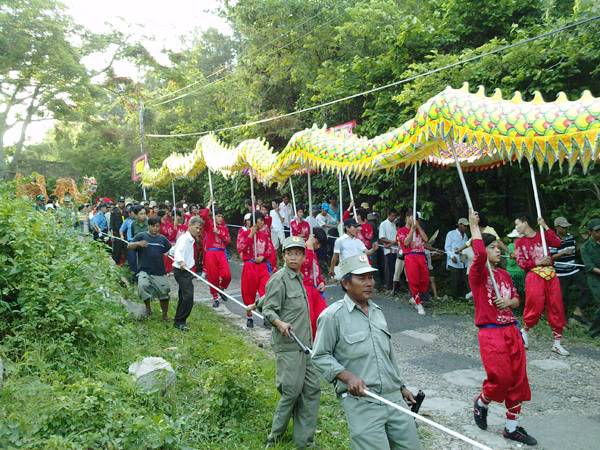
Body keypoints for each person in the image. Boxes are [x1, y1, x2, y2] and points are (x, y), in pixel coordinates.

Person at [312, 254, 422, 450]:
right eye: (361, 278)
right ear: (346, 283)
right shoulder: (332, 316)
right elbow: (320, 355)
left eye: (371, 277)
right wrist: (348, 378)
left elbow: (388, 354)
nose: (369, 283)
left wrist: (401, 386)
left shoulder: (377, 311)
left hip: (393, 397)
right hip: (362, 400)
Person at [467, 210, 536, 446]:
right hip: (490, 332)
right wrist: (474, 227)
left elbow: (517, 300)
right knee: (502, 378)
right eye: (494, 247)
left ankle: (511, 428)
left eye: (499, 247)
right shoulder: (478, 274)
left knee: (519, 380)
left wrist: (508, 303)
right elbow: (477, 254)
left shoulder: (505, 275)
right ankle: (482, 401)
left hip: (511, 330)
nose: (499, 250)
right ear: (485, 251)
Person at [259, 236, 321, 448]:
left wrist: (259, 302)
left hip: (306, 347)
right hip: (288, 347)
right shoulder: (279, 278)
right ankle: (274, 439)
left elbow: (266, 301)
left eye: (298, 253)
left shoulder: (299, 278)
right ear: (283, 256)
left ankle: (304, 441)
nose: (293, 257)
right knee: (291, 392)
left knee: (311, 390)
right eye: (289, 253)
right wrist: (279, 323)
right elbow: (269, 309)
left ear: (304, 257)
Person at [514, 214, 569, 355]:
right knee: (535, 305)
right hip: (534, 275)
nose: (516, 227)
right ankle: (524, 332)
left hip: (551, 274)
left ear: (525, 222)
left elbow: (558, 243)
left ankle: (557, 343)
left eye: (517, 224)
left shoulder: (543, 236)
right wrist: (537, 262)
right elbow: (521, 263)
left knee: (556, 306)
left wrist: (545, 225)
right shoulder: (519, 243)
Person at [128, 217, 172, 320]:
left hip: (159, 271)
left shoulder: (162, 239)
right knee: (142, 287)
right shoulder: (141, 236)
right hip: (144, 270)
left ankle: (165, 315)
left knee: (164, 292)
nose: (155, 229)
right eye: (153, 226)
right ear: (148, 226)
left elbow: (168, 250)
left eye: (157, 226)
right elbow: (129, 246)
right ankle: (148, 309)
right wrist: (138, 244)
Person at [550, 216, 592, 325]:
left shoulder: (570, 237)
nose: (565, 229)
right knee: (563, 298)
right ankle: (562, 322)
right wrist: (563, 253)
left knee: (587, 290)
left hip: (573, 269)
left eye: (566, 227)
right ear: (557, 227)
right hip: (560, 273)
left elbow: (576, 249)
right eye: (563, 227)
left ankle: (577, 313)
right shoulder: (553, 239)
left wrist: (585, 240)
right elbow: (551, 257)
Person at [237, 212, 275, 328]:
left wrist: (263, 257)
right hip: (249, 265)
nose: (262, 222)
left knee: (266, 290)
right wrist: (250, 235)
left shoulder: (264, 235)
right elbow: (240, 248)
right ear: (254, 221)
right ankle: (249, 316)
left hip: (262, 266)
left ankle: (267, 315)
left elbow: (270, 249)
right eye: (260, 220)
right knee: (249, 292)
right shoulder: (244, 233)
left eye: (263, 220)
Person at [172, 216, 203, 331]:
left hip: (187, 270)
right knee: (188, 296)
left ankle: (178, 320)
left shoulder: (191, 238)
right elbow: (178, 251)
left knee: (183, 296)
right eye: (196, 228)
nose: (198, 231)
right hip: (181, 270)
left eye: (200, 229)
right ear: (189, 226)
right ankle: (180, 321)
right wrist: (181, 261)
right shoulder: (185, 238)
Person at [397, 212, 430, 315]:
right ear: (407, 218)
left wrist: (418, 226)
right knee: (413, 280)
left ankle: (415, 298)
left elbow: (426, 239)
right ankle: (418, 304)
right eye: (412, 218)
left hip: (421, 255)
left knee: (425, 280)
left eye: (416, 218)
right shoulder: (401, 231)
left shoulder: (419, 229)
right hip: (410, 256)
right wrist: (412, 229)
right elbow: (406, 242)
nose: (414, 220)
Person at [200, 204, 232, 308]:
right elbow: (203, 216)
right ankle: (215, 297)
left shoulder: (224, 228)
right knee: (212, 276)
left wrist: (219, 233)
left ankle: (221, 289)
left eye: (221, 216)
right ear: (213, 217)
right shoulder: (209, 224)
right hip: (211, 253)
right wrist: (209, 204)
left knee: (227, 275)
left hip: (221, 252)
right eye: (217, 216)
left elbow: (228, 240)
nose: (220, 218)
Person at [302, 234, 328, 338]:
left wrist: (321, 282)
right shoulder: (303, 250)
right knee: (310, 318)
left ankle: (321, 341)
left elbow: (316, 270)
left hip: (315, 289)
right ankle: (310, 342)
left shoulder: (313, 252)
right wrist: (309, 249)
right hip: (305, 288)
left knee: (324, 315)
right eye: (318, 243)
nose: (319, 246)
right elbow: (306, 265)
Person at [581, 218, 600, 338]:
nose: (599, 233)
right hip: (594, 279)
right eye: (597, 231)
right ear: (590, 232)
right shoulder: (585, 247)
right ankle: (593, 332)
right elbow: (589, 266)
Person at [444, 218, 470, 298]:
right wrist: (452, 256)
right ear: (459, 225)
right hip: (453, 261)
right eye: (464, 225)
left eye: (466, 226)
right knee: (454, 280)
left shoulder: (465, 235)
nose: (465, 227)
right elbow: (447, 247)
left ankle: (461, 296)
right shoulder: (451, 234)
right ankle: (452, 297)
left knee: (463, 279)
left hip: (463, 261)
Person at [378, 209, 398, 290]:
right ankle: (389, 286)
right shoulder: (383, 224)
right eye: (392, 216)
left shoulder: (394, 224)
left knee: (395, 268)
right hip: (388, 249)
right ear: (388, 215)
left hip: (396, 249)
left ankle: (395, 286)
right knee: (390, 268)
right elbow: (382, 237)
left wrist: (394, 242)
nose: (394, 217)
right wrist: (393, 242)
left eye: (395, 216)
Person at [506, 229, 525, 296]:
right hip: (513, 274)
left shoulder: (524, 246)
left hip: (523, 274)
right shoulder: (510, 247)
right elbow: (511, 263)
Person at [110, 196, 127, 265]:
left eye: (122, 202)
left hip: (125, 233)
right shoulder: (114, 211)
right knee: (117, 249)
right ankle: (115, 264)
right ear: (118, 202)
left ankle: (126, 264)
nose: (121, 203)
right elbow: (111, 224)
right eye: (120, 202)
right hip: (116, 233)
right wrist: (112, 235)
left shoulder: (127, 211)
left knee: (126, 249)